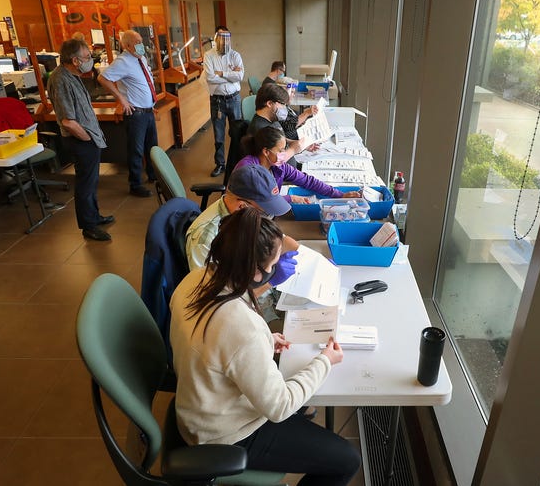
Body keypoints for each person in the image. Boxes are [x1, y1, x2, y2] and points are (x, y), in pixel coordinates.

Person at [170, 207, 360, 485]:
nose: (275, 269)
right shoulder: (240, 325)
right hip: (225, 434)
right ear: (254, 271)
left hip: (199, 405)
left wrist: (265, 340)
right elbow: (280, 406)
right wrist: (324, 361)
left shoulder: (194, 280)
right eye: (272, 265)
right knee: (346, 460)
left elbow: (212, 342)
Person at [47, 38, 114, 241]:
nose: (89, 60)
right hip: (81, 141)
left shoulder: (73, 76)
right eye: (86, 57)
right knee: (85, 184)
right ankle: (88, 226)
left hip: (89, 139)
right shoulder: (60, 80)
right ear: (75, 60)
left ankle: (94, 216)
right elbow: (67, 121)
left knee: (92, 182)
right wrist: (87, 139)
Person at [186, 164, 298, 272]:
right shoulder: (205, 240)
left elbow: (283, 241)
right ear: (242, 205)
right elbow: (208, 289)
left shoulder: (245, 213)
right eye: (265, 213)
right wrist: (269, 282)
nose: (267, 218)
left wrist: (298, 251)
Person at [98, 30, 157, 197]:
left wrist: (151, 102)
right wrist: (121, 99)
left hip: (148, 110)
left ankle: (154, 175)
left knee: (152, 147)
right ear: (128, 45)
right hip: (136, 113)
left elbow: (145, 82)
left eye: (141, 41)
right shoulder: (123, 61)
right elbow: (103, 78)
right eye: (138, 42)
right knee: (136, 150)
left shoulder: (141, 59)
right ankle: (135, 184)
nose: (142, 45)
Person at [237, 127, 361, 204]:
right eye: (280, 150)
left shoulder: (278, 166)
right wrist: (291, 198)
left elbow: (308, 181)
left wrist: (339, 194)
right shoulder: (248, 170)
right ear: (266, 151)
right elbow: (261, 201)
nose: (284, 153)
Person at [203, 25, 244, 177]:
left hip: (234, 98)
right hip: (217, 101)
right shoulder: (209, 55)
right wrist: (230, 75)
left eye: (227, 37)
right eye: (221, 37)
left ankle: (238, 163)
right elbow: (209, 77)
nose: (224, 41)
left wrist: (221, 73)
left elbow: (240, 76)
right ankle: (220, 164)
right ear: (216, 38)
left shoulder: (235, 55)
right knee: (218, 135)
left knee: (237, 132)